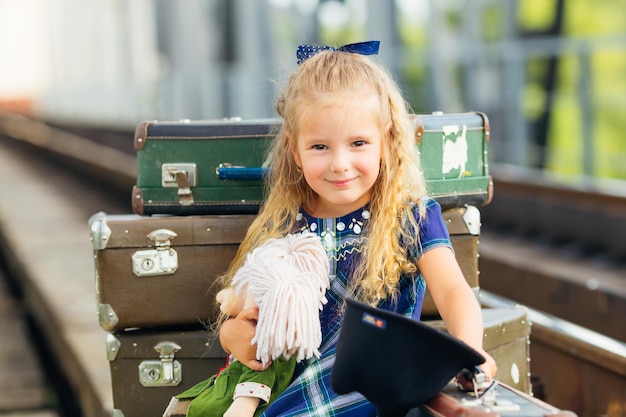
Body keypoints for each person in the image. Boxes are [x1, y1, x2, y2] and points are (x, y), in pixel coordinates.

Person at [218, 40, 497, 416]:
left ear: (387, 142)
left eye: (358, 143)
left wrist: (471, 348)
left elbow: (451, 291)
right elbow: (248, 312)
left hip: (376, 394)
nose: (340, 163)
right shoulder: (287, 224)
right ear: (295, 151)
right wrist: (231, 334)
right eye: (320, 147)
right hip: (297, 398)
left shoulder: (410, 216)